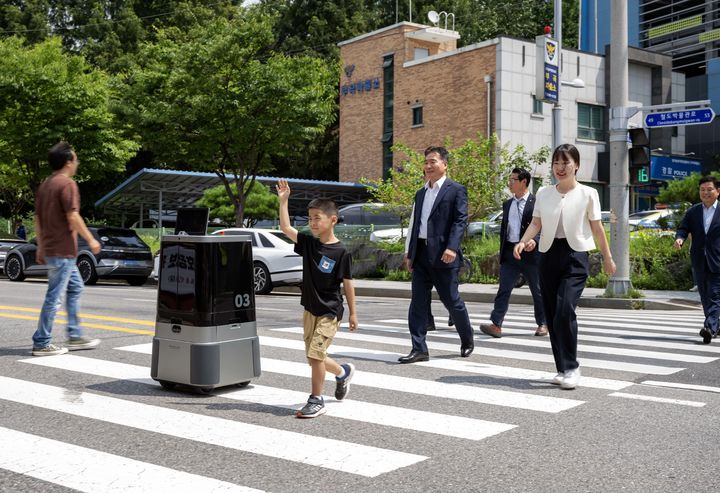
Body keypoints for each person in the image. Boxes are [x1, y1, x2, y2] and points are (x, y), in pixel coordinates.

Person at [513, 144, 615, 389]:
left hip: (575, 256)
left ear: (576, 166)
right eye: (556, 163)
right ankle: (562, 368)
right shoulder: (545, 193)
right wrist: (524, 241)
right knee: (551, 314)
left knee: (565, 309)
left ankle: (572, 366)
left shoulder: (588, 193)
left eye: (565, 163)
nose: (560, 168)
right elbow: (536, 223)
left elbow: (597, 228)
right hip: (547, 255)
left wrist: (608, 258)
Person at [276, 178, 359, 418]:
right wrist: (284, 202)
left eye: (317, 218)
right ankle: (343, 373)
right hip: (310, 309)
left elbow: (348, 284)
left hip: (329, 311)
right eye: (310, 218)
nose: (312, 222)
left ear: (332, 220)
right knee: (315, 357)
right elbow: (285, 228)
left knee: (315, 355)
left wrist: (353, 313)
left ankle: (316, 399)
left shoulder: (341, 251)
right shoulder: (309, 244)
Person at [401, 146, 475, 363]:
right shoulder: (421, 193)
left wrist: (452, 247)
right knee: (418, 303)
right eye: (426, 162)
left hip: (445, 254)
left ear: (445, 164)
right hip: (421, 254)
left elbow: (460, 220)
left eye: (433, 161)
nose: (428, 166)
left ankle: (467, 338)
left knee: (452, 301)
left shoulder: (456, 189)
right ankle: (419, 348)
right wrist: (409, 252)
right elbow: (415, 224)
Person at [32, 142, 101, 356]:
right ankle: (42, 342)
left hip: (56, 250)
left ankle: (75, 335)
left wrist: (41, 247)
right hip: (63, 251)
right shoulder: (67, 184)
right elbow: (73, 216)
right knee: (54, 296)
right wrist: (91, 240)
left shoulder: (45, 185)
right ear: (68, 161)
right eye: (76, 159)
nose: (77, 162)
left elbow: (37, 218)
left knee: (75, 287)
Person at [480, 167, 547, 338]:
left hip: (531, 254)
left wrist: (535, 240)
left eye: (513, 180)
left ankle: (543, 323)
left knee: (537, 290)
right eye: (509, 179)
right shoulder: (507, 204)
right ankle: (496, 324)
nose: (509, 183)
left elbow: (542, 226)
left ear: (524, 182)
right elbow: (506, 230)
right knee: (504, 289)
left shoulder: (536, 202)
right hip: (510, 252)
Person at [674, 176, 720, 344]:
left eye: (709, 189)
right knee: (705, 296)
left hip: (718, 260)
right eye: (702, 190)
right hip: (699, 259)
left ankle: (709, 328)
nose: (705, 193)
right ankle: (716, 325)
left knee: (715, 295)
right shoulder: (693, 212)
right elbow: (683, 228)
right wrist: (680, 238)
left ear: (718, 191)